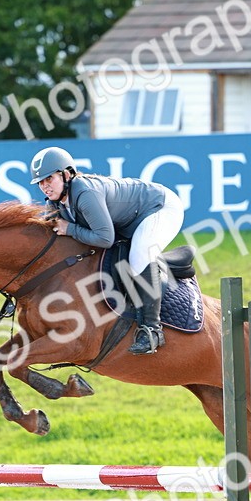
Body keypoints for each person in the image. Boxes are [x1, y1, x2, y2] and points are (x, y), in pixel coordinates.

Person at [29, 146, 185, 355]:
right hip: (131, 217)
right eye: (40, 182)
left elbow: (104, 238)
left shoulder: (85, 193)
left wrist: (71, 228)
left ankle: (151, 331)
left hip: (160, 208)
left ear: (66, 175)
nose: (45, 186)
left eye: (49, 179)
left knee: (139, 257)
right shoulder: (56, 201)